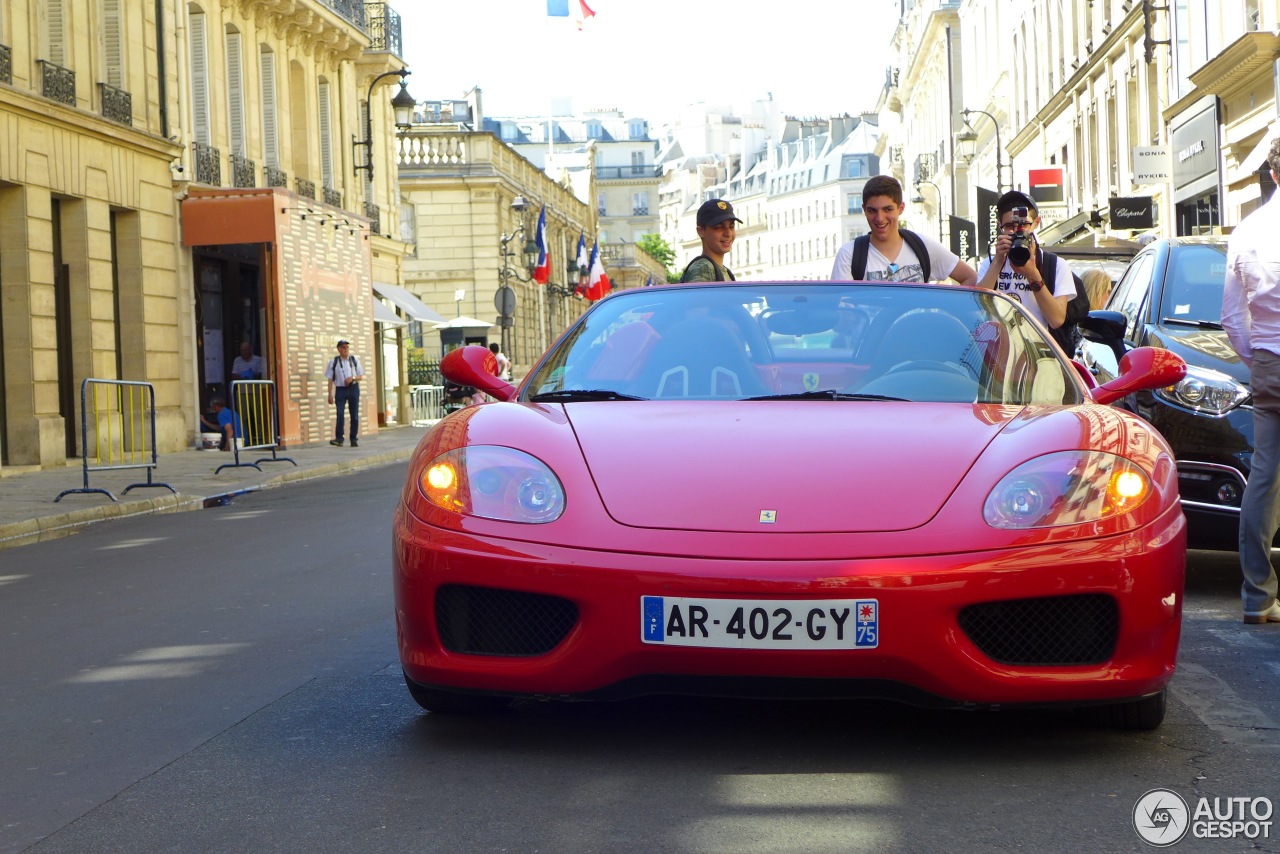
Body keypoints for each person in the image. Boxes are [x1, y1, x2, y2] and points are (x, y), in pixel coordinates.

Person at [1222, 136, 1280, 624]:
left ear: (1273, 174)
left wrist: (1257, 355)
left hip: (1268, 358)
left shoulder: (1246, 230)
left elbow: (1231, 318)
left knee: (1265, 474)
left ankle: (1258, 596)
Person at [829, 175, 978, 286]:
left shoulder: (922, 245)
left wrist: (944, 311)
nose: (880, 218)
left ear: (901, 208)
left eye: (887, 209)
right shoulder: (849, 255)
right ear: (864, 210)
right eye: (872, 211)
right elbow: (839, 308)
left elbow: (971, 278)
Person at [976, 190, 1078, 337]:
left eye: (1024, 225)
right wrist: (998, 261)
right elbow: (979, 307)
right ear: (1000, 226)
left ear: (1036, 223)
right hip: (1000, 350)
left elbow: (1056, 320)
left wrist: (1032, 274)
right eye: (1010, 226)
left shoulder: (1055, 265)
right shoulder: (990, 264)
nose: (1018, 231)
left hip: (1038, 353)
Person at [679, 199, 741, 282]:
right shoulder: (703, 269)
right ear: (701, 231)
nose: (728, 233)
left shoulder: (723, 271)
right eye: (719, 227)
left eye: (731, 227)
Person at [325, 339, 364, 447]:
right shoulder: (334, 362)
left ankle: (353, 438)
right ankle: (339, 438)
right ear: (338, 349)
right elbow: (330, 379)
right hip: (340, 389)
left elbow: (360, 376)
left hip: (353, 388)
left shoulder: (354, 360)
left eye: (347, 347)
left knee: (354, 415)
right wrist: (330, 394)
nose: (345, 349)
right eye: (343, 347)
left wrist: (353, 378)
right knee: (340, 413)